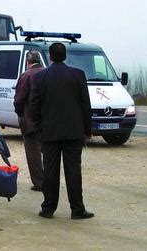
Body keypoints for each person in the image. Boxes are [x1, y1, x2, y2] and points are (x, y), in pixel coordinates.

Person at [30, 42, 94, 219]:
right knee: (73, 171)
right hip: (74, 132)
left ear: (50, 56)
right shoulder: (78, 75)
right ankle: (77, 209)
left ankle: (48, 208)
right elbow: (85, 105)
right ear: (65, 55)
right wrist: (87, 130)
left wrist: (38, 127)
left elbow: (33, 106)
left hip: (49, 133)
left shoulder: (40, 77)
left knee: (50, 172)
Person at [14, 50, 44, 192]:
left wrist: (20, 115)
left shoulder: (26, 76)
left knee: (34, 154)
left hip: (30, 122)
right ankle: (50, 180)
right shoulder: (47, 73)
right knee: (48, 154)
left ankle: (39, 182)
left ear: (27, 62)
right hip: (47, 122)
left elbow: (19, 100)